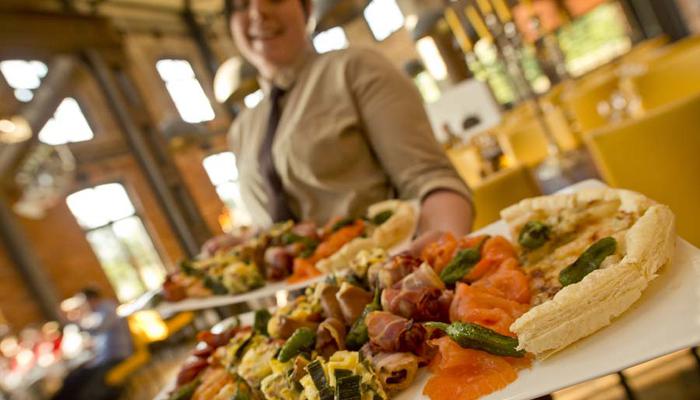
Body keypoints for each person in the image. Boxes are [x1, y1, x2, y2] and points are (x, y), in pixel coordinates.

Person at [213, 0, 474, 254]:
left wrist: (441, 246)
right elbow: (274, 224)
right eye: (241, 4)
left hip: (385, 277)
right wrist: (246, 245)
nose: (258, 11)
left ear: (307, 7)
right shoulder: (241, 130)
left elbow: (429, 179)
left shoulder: (355, 69)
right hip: (299, 295)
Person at [53, 287, 133, 400]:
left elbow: (98, 328)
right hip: (105, 358)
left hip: (116, 356)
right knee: (72, 379)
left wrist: (72, 321)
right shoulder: (97, 312)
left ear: (90, 299)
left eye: (83, 303)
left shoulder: (107, 307)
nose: (84, 306)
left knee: (88, 391)